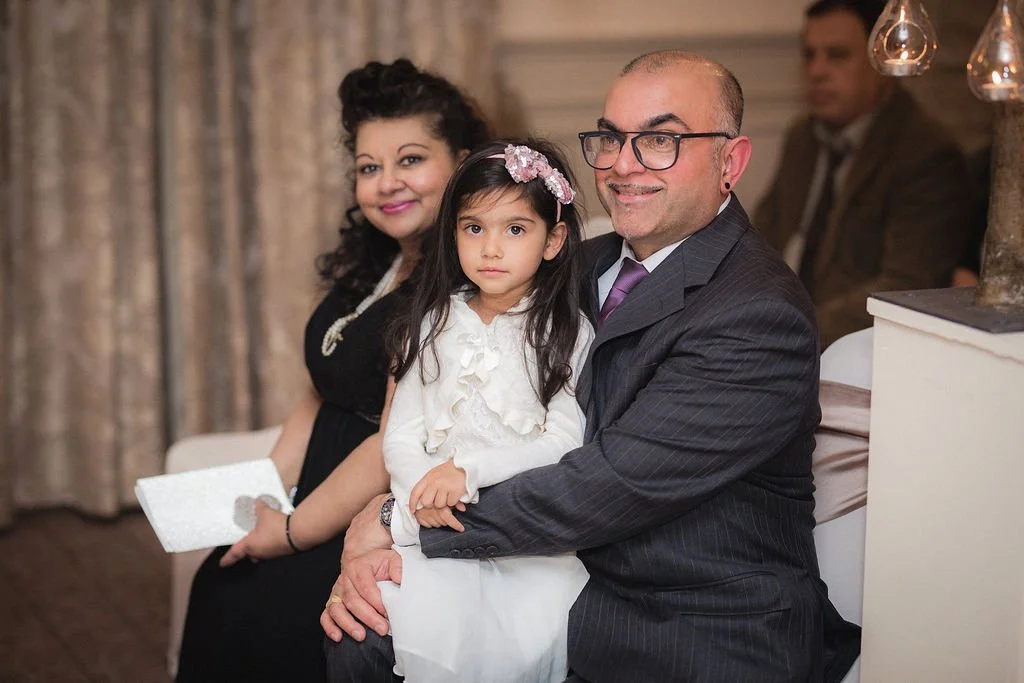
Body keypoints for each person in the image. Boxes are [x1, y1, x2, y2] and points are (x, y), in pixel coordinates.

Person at [322, 50, 860, 683]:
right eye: (611, 138)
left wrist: (400, 520)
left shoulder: (757, 312)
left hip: (693, 627)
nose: (623, 164)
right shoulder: (572, 264)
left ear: (730, 162)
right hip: (559, 583)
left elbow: (606, 487)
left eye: (660, 139)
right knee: (360, 634)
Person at [174, 58, 490, 683]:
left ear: (461, 162)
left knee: (262, 613)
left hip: (372, 507)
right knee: (219, 575)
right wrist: (265, 487)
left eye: (410, 159)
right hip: (317, 487)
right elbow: (321, 392)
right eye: (369, 168)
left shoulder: (463, 281)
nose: (387, 183)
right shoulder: (376, 264)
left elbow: (390, 438)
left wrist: (290, 532)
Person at [368, 139, 594, 682]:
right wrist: (422, 489)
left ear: (552, 239)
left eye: (515, 229)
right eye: (474, 228)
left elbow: (562, 441)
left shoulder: (565, 332)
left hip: (525, 544)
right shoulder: (433, 322)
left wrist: (466, 473)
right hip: (433, 526)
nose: (491, 249)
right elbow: (401, 434)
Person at [754, 0, 972, 348]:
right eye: (809, 55)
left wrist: (785, 330)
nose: (817, 71)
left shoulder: (926, 154)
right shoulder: (803, 137)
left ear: (882, 62)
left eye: (837, 55)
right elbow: (759, 237)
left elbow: (904, 287)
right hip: (772, 326)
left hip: (854, 350)